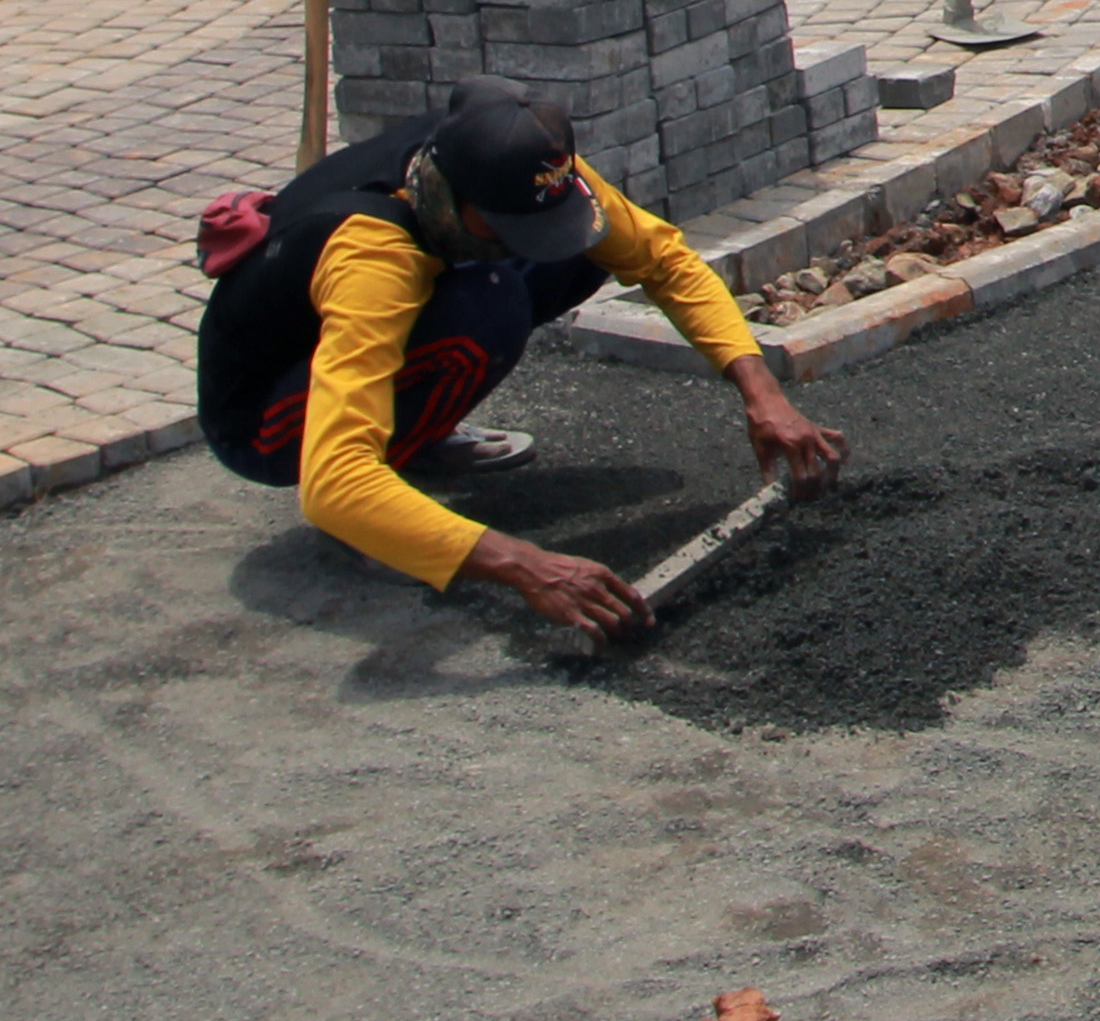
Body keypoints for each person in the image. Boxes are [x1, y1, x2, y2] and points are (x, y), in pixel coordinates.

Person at [196, 76, 846, 638]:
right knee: (487, 308)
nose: (535, 231)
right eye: (510, 224)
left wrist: (764, 395)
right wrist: (527, 564)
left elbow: (665, 258)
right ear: (457, 202)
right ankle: (390, 486)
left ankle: (414, 431)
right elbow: (334, 483)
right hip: (262, 417)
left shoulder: (516, 160)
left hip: (353, 331)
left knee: (570, 258)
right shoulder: (373, 258)